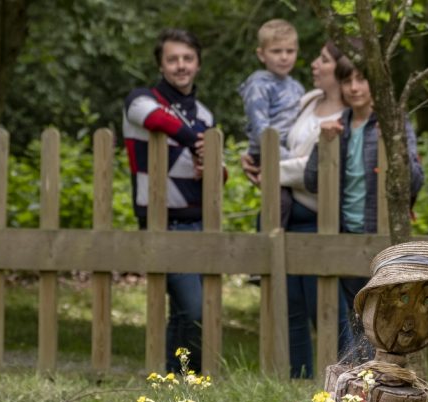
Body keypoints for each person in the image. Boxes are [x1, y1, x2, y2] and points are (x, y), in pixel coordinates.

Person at [303, 41, 425, 363]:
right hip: (344, 234)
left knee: (382, 317)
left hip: (380, 237)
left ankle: (379, 382)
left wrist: (393, 141)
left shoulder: (393, 122)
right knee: (354, 317)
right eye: (347, 80)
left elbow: (415, 180)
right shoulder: (338, 126)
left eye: (362, 79)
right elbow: (312, 181)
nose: (355, 87)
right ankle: (356, 385)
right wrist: (322, 142)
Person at [242, 40, 347, 379]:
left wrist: (270, 169)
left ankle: (349, 388)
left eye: (324, 59)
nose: (314, 64)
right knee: (290, 312)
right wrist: (258, 161)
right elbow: (280, 145)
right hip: (288, 218)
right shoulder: (309, 101)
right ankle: (296, 383)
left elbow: (319, 170)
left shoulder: (346, 116)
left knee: (330, 313)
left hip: (322, 221)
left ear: (342, 67)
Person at [123, 28, 221, 373]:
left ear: (198, 63)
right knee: (192, 309)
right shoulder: (140, 99)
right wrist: (197, 141)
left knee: (192, 310)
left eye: (188, 58)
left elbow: (217, 173)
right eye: (173, 59)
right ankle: (183, 376)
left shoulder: (206, 115)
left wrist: (210, 166)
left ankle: (178, 378)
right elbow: (156, 121)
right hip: (161, 220)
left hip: (198, 220)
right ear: (161, 65)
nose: (181, 66)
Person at [238, 19, 305, 229]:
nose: (284, 57)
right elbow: (261, 127)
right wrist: (287, 157)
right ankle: (267, 244)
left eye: (289, 50)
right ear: (261, 54)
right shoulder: (258, 84)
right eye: (276, 51)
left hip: (289, 153)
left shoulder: (296, 87)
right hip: (268, 153)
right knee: (280, 201)